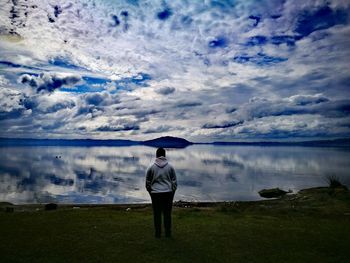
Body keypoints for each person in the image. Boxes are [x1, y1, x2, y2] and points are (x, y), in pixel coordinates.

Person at [145, 147, 177, 238]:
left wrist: (151, 192)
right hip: (168, 193)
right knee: (167, 214)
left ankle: (158, 234)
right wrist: (172, 192)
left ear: (156, 155)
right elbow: (174, 182)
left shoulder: (151, 167)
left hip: (155, 194)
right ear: (164, 155)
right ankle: (168, 233)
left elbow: (147, 183)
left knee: (157, 214)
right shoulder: (170, 167)